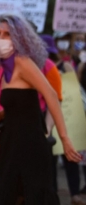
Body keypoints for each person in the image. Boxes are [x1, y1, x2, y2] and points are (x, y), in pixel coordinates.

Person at [0, 14, 81, 204]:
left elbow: (51, 95)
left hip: (30, 144)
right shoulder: (4, 66)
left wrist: (64, 138)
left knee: (31, 197)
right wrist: (1, 113)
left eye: (7, 34)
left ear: (19, 38)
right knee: (7, 195)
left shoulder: (22, 62)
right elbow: (22, 103)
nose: (1, 38)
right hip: (10, 142)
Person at [42, 35, 86, 205]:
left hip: (66, 116)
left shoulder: (64, 66)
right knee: (50, 159)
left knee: (70, 157)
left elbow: (74, 88)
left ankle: (74, 193)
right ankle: (53, 194)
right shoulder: (37, 68)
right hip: (47, 117)